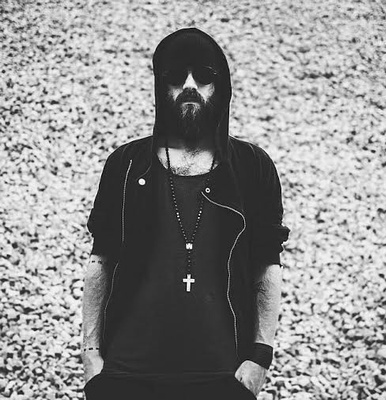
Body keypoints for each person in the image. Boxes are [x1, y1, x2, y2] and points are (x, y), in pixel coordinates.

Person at [81, 27, 290, 400]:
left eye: (204, 76)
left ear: (221, 86)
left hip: (223, 373)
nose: (190, 85)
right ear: (160, 87)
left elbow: (267, 264)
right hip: (127, 372)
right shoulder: (125, 164)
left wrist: (260, 357)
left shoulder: (252, 167)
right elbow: (101, 260)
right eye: (176, 76)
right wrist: (91, 354)